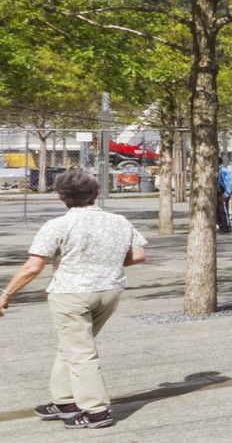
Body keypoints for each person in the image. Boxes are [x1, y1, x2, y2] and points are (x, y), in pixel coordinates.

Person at [0, 168, 147, 429]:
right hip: (110, 291)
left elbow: (33, 267)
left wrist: (6, 293)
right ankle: (65, 400)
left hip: (71, 294)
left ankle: (96, 411)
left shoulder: (57, 225)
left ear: (60, 196)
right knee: (72, 345)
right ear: (96, 193)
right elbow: (138, 256)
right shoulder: (119, 221)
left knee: (80, 352)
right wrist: (105, 264)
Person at [216, 162, 232, 233]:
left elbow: (228, 183)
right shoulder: (217, 170)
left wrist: (226, 193)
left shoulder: (224, 171)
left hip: (223, 192)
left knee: (223, 210)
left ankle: (226, 226)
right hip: (219, 192)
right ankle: (221, 225)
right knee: (218, 210)